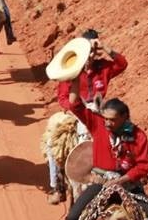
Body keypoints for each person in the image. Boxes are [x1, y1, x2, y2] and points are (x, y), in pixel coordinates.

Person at [48, 31, 128, 203]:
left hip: (100, 110)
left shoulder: (103, 67)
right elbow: (62, 97)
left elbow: (122, 64)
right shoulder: (71, 70)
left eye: (93, 50)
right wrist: (71, 110)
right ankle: (58, 186)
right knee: (54, 141)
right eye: (87, 51)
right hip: (77, 111)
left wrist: (107, 48)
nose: (90, 55)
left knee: (125, 133)